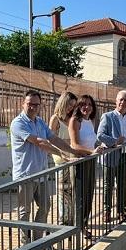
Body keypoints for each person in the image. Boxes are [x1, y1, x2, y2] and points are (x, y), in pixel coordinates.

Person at [10, 90, 83, 244]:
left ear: (40, 106)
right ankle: (25, 243)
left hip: (41, 174)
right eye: (30, 104)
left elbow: (53, 138)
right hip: (26, 175)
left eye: (36, 104)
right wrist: (61, 154)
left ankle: (37, 241)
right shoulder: (18, 123)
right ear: (23, 104)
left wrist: (72, 151)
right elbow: (40, 142)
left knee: (45, 207)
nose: (33, 107)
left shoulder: (40, 122)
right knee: (25, 211)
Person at [97, 90, 126, 223]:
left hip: (125, 155)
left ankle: (121, 211)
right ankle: (107, 211)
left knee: (122, 185)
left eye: (125, 100)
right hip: (110, 156)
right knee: (108, 185)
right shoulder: (108, 116)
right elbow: (100, 135)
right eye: (120, 99)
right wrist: (115, 141)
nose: (122, 102)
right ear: (116, 101)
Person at [68, 95, 103, 239]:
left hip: (91, 160)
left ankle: (83, 225)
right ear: (78, 106)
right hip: (79, 161)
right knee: (80, 196)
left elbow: (91, 142)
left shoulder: (91, 121)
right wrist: (92, 152)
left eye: (89, 104)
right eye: (83, 104)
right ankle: (77, 228)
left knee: (89, 194)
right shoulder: (75, 121)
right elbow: (75, 145)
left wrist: (99, 147)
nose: (86, 107)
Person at [48, 92, 78, 226]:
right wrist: (61, 154)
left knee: (72, 191)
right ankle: (63, 220)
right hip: (61, 157)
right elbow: (50, 139)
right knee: (62, 191)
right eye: (69, 105)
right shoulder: (56, 118)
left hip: (73, 156)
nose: (71, 108)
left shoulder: (72, 119)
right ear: (63, 103)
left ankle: (72, 220)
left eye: (73, 106)